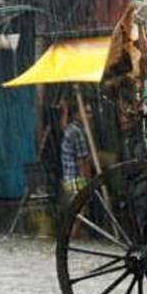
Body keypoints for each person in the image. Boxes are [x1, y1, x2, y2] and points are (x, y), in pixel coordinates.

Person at [60, 99, 93, 238]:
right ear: (77, 115)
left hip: (68, 178)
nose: (90, 115)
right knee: (80, 213)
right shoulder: (78, 132)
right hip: (76, 178)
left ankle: (73, 236)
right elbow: (82, 161)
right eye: (86, 112)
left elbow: (62, 126)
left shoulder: (70, 128)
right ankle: (72, 239)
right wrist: (90, 182)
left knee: (75, 211)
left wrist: (64, 110)